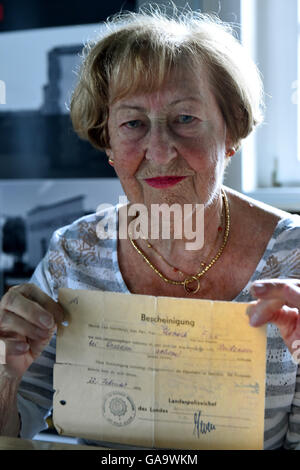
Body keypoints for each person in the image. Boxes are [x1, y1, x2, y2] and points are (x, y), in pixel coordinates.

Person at [0, 7, 300, 450]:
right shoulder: (73, 255)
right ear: (108, 142)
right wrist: (6, 372)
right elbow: (13, 426)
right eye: (133, 124)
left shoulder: (294, 255)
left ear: (231, 132)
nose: (160, 151)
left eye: (185, 119)